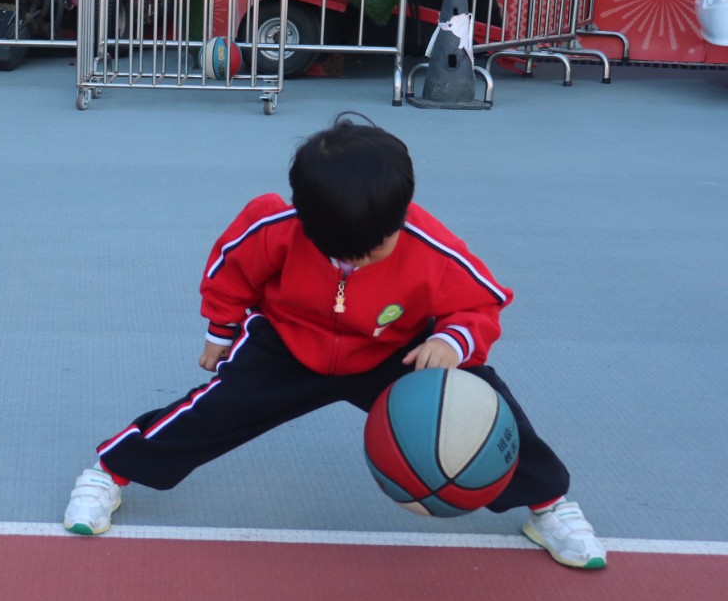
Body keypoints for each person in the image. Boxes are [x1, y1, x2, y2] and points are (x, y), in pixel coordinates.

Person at [62, 114, 606, 569]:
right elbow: (231, 271)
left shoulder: (432, 247)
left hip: (395, 351)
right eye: (344, 253)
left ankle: (549, 503)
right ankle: (110, 471)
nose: (360, 260)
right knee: (210, 413)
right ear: (306, 219)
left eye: (376, 249)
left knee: (484, 407)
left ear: (401, 214)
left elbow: (483, 302)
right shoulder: (275, 224)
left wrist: (454, 341)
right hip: (289, 344)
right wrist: (221, 331)